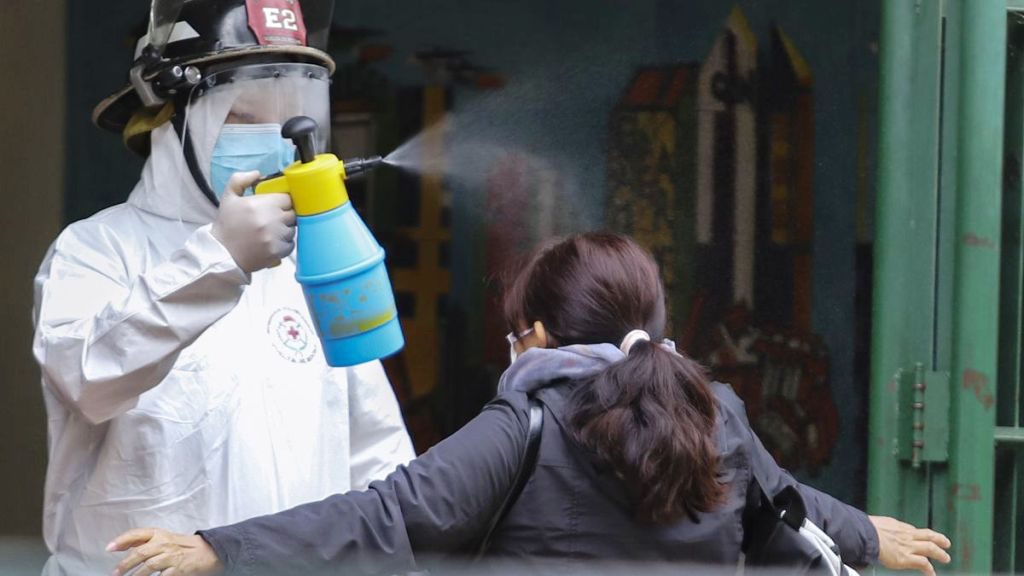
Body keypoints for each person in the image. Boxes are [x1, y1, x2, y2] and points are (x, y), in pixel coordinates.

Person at [108, 232, 951, 576]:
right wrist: (867, 534)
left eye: (516, 333)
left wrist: (219, 549)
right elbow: (787, 511)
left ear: (537, 336)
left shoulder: (531, 421)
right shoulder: (717, 410)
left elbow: (388, 518)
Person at [32, 2, 414, 574]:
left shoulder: (309, 260)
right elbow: (86, 378)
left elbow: (378, 457)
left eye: (291, 114)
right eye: (243, 115)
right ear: (169, 120)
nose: (279, 138)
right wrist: (219, 260)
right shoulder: (97, 251)